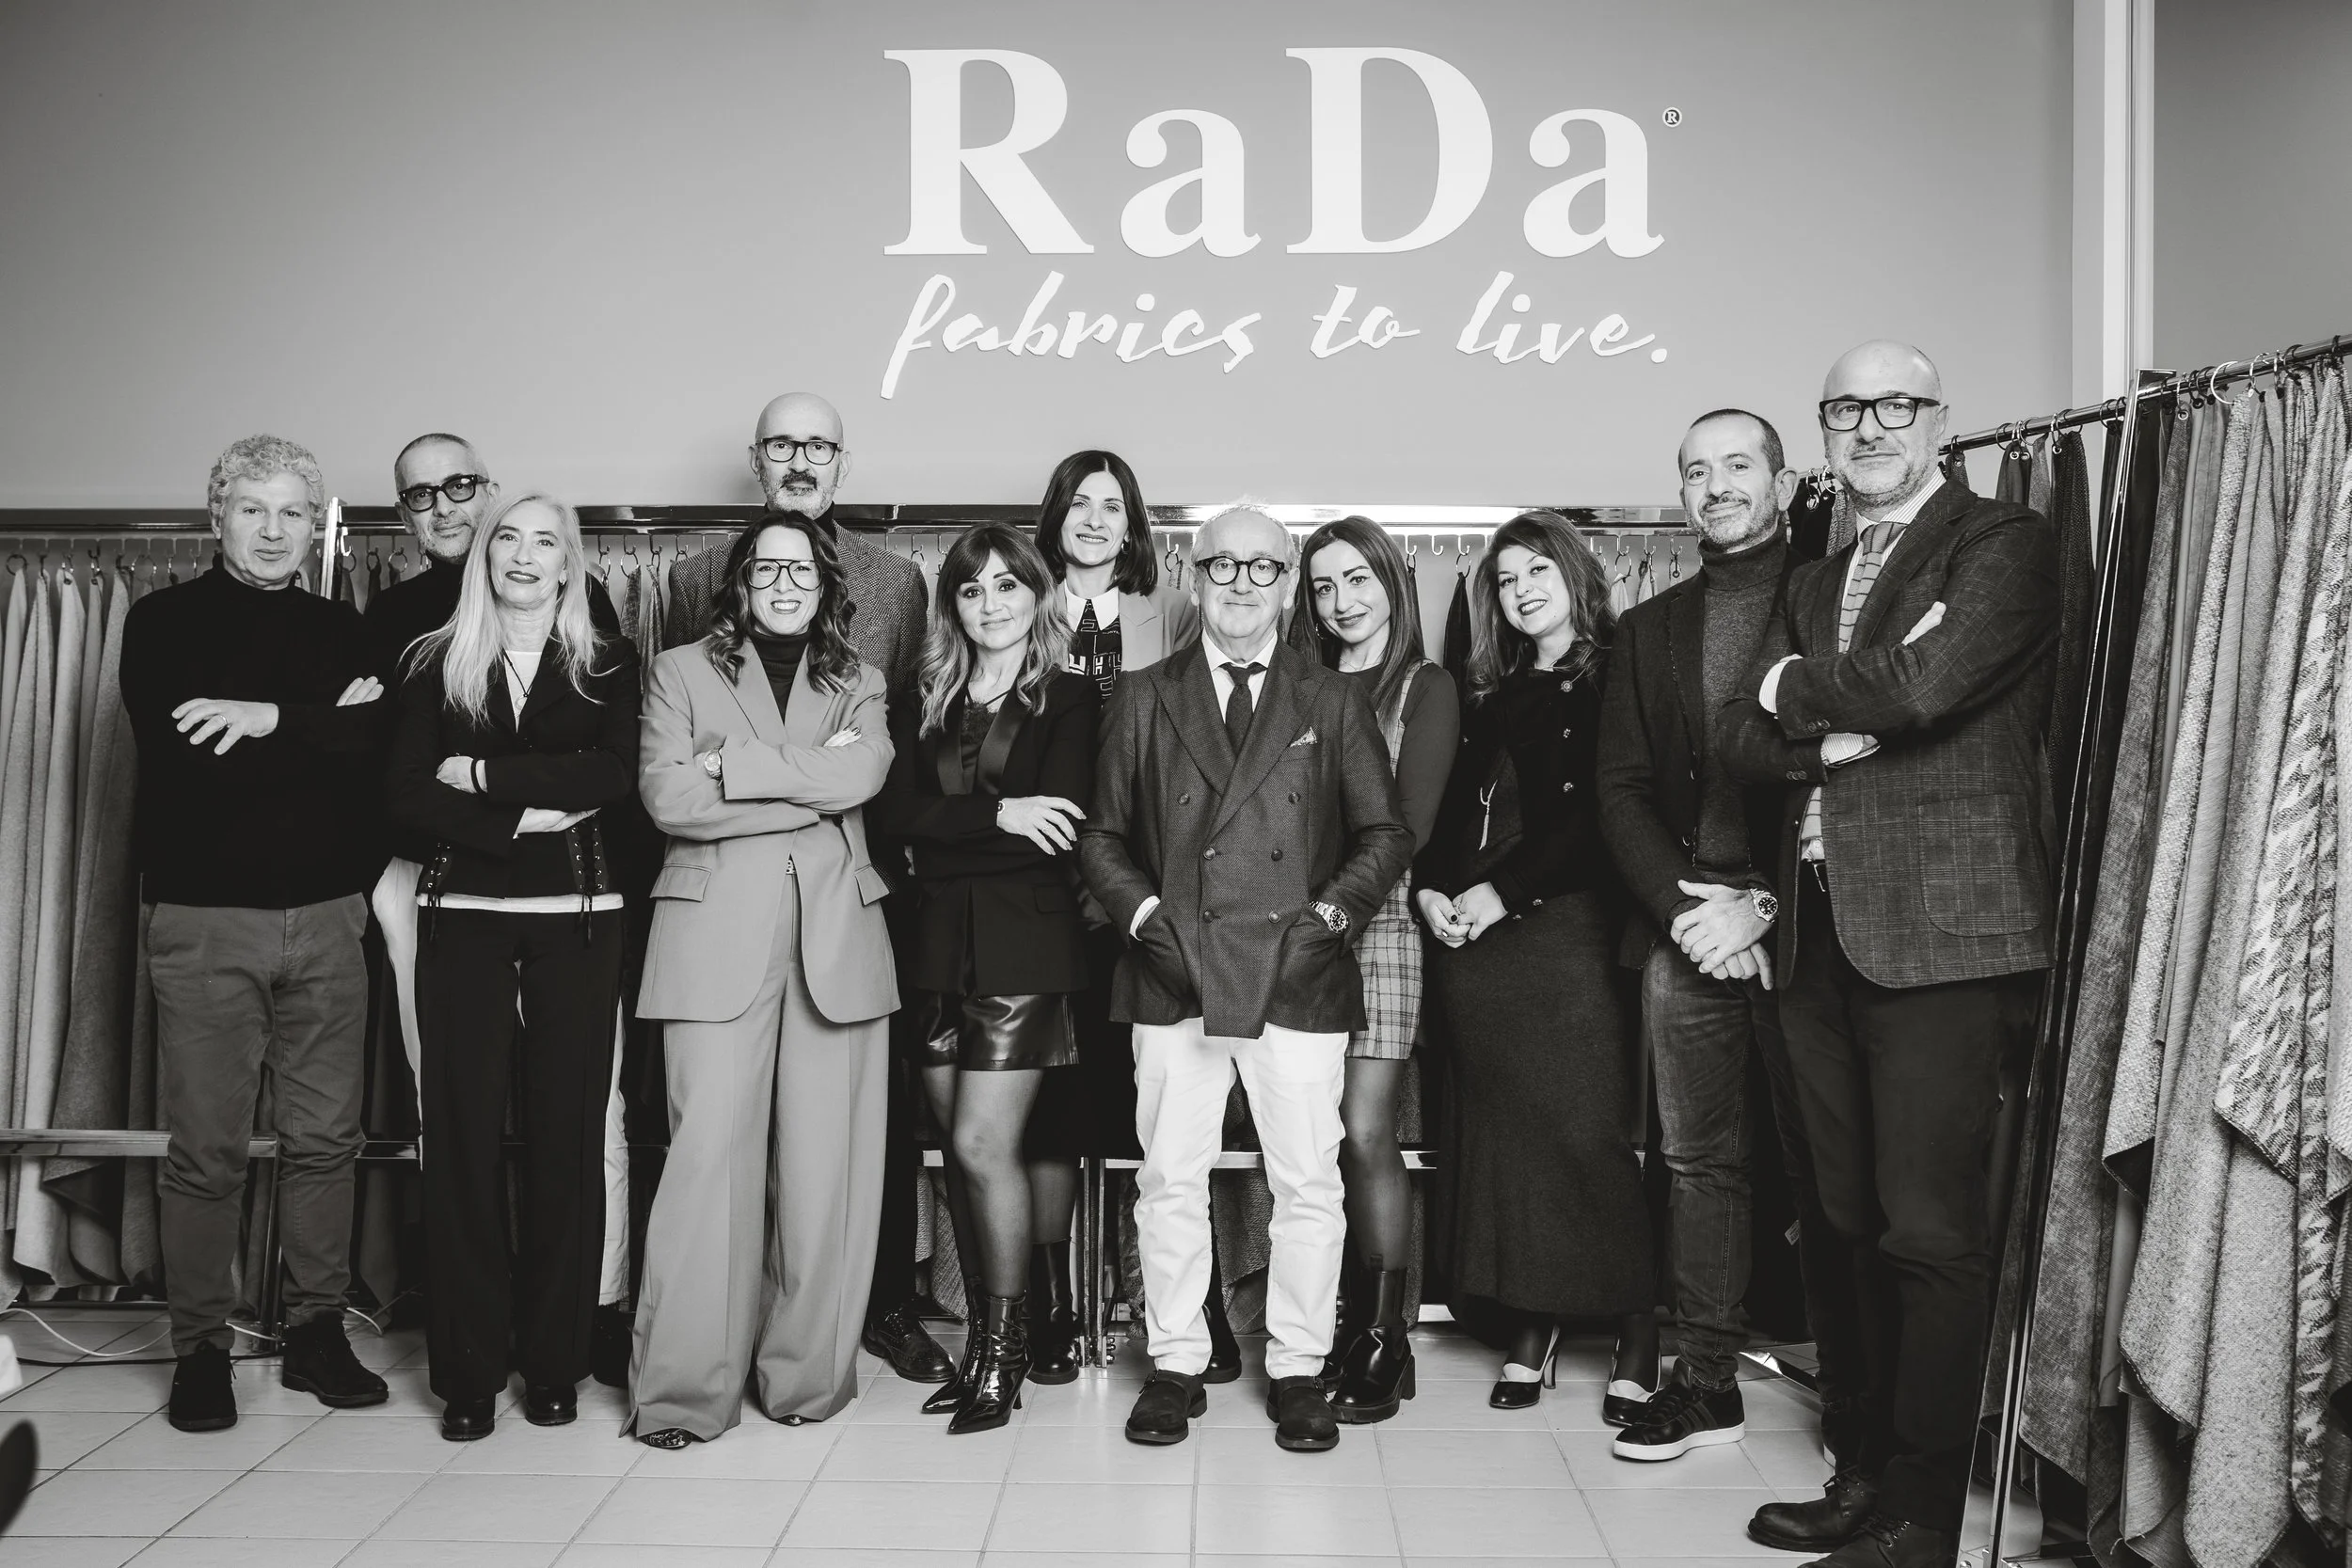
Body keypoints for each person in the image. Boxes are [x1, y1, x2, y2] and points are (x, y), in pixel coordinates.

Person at [1718, 341, 2056, 1568]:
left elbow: (1925, 685)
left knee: (1927, 1231)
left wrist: (1797, 686)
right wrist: (1822, 732)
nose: (1870, 426)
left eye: (1895, 404)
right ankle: (1859, 1472)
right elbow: (1737, 735)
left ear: (1939, 420)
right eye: (1846, 407)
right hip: (1814, 933)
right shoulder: (1815, 574)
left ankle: (1921, 1514)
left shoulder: (2001, 543)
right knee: (1840, 1221)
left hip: (1943, 940)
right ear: (1823, 429)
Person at [1079, 506, 1414, 1451]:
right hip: (1172, 972)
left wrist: (1325, 923)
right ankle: (1176, 1362)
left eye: (1260, 566)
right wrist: (1148, 922)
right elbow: (1100, 837)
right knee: (1168, 1178)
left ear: (1286, 579)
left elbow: (1385, 833)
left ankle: (1298, 1366)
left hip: (1295, 976)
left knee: (1307, 1180)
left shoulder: (1330, 697)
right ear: (1193, 576)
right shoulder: (1143, 694)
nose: (1239, 581)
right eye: (1220, 564)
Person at [1597, 410, 1870, 1472]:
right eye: (1695, 471)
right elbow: (1620, 792)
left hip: (1810, 922)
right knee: (1700, 1164)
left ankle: (1856, 1397)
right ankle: (1706, 1382)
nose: (1715, 486)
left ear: (1780, 478)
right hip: (1690, 934)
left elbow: (1853, 768)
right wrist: (1691, 916)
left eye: (1736, 465)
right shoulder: (1649, 627)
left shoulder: (1836, 597)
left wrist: (1760, 906)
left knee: (1830, 1167)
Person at [664, 392, 947, 1386]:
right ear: (756, 457)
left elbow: (887, 747)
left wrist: (743, 771)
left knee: (857, 1133)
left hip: (856, 885)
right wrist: (806, 781)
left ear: (841, 461)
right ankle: (712, 1344)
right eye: (782, 442)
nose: (799, 457)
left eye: (817, 444)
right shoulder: (693, 574)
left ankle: (876, 1310)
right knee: (718, 1136)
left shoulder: (897, 580)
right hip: (727, 899)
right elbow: (680, 748)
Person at [120, 435, 390, 1432]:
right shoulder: (161, 623)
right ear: (217, 515)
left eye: (291, 512)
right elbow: (189, 762)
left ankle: (316, 1329)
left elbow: (376, 751)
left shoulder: (343, 628)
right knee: (208, 1148)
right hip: (203, 917)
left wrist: (270, 718)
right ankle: (201, 1348)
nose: (273, 531)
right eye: (252, 509)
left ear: (314, 523)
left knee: (326, 1140)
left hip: (327, 914)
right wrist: (322, 726)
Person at [366, 433, 639, 1387]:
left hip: (581, 917)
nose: (524, 555)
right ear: (485, 558)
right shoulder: (433, 659)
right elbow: (403, 790)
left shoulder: (610, 660)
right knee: (462, 1140)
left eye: (545, 541)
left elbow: (613, 772)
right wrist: (522, 815)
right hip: (463, 915)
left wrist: (481, 777)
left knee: (569, 1141)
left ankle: (557, 1365)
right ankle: (469, 1372)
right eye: (508, 540)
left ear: (569, 564)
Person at [629, 514, 898, 1445]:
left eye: (803, 570)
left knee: (827, 1173)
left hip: (837, 942)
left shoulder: (861, 679)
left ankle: (806, 1379)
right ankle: (682, 1393)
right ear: (739, 582)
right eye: (767, 568)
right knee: (707, 1162)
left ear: (826, 585)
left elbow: (863, 777)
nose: (785, 583)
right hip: (711, 938)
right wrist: (807, 787)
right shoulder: (677, 670)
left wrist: (732, 766)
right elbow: (668, 797)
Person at [1416, 511, 1656, 1414]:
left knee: (1587, 1131)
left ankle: (1638, 1323)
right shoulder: (1491, 689)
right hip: (1475, 947)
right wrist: (1429, 890)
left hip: (1567, 931)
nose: (1519, 590)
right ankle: (1532, 1319)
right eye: (1506, 578)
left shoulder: (1621, 674)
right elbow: (1449, 814)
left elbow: (1608, 816)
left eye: (1536, 571)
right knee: (1506, 1136)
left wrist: (1503, 892)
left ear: (1574, 573)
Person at [872, 524, 1099, 1433]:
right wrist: (1001, 814)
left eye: (1008, 585)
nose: (990, 603)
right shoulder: (922, 695)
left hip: (1025, 949)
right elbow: (890, 815)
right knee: (951, 1151)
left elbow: (1062, 828)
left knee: (979, 1145)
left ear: (1037, 594)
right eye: (971, 589)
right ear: (953, 606)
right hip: (932, 946)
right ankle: (980, 1351)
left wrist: (948, 829)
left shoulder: (1069, 697)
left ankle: (1007, 1355)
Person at [1021, 449, 1208, 1383]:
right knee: (1055, 1104)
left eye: (1113, 506)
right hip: (1035, 892)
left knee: (1162, 1105)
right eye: (1080, 503)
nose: (1096, 520)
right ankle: (1052, 1301)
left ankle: (1170, 1296)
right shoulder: (1014, 603)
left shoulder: (1170, 612)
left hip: (1143, 891)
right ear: (1055, 515)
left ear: (1134, 525)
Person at [1288, 516, 1458, 1423]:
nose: (1341, 600)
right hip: (1295, 932)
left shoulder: (1424, 687)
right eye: (1322, 585)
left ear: (1392, 580)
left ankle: (1387, 1338)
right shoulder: (1298, 684)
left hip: (1380, 922)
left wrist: (1328, 900)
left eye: (1357, 578)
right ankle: (1339, 1326)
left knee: (1363, 1131)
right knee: (1307, 1138)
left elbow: (1411, 827)